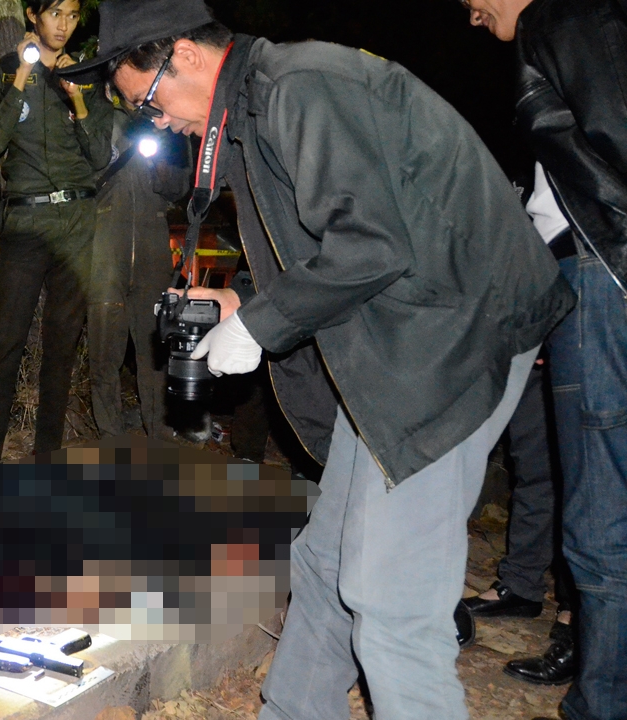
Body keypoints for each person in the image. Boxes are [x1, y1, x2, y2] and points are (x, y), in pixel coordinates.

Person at [60, 2, 575, 718]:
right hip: (396, 333)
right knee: (326, 559)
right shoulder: (255, 109)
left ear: (185, 55)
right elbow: (321, 250)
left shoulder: (298, 87)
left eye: (148, 101)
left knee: (390, 602)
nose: (156, 121)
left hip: (452, 336)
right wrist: (242, 301)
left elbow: (372, 245)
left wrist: (261, 326)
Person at [462, 0, 627, 716]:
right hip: (585, 272)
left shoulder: (564, 20)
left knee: (600, 512)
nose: (470, 15)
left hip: (601, 274)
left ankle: (600, 699)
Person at [0, 0, 113, 476]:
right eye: (55, 13)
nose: (64, 25)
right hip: (26, 219)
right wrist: (21, 74)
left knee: (62, 342)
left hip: (77, 220)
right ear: (34, 14)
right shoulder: (3, 70)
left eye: (72, 15)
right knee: (5, 338)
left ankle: (47, 455)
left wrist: (78, 98)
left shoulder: (87, 74)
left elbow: (101, 155)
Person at [462, 168, 577, 688]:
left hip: (584, 297)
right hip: (532, 305)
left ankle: (578, 619)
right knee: (536, 464)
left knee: (586, 479)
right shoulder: (524, 149)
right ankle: (523, 585)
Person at [87, 109, 189, 440]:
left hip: (152, 246)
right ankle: (110, 436)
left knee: (155, 349)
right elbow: (82, 176)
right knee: (104, 350)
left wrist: (159, 159)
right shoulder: (100, 117)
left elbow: (180, 187)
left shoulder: (169, 122)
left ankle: (159, 434)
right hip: (106, 244)